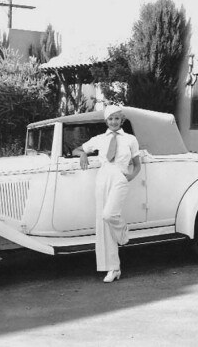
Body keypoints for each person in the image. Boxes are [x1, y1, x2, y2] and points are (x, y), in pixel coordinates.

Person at [72, 105, 141, 283]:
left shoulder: (130, 139)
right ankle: (113, 268)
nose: (113, 122)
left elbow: (137, 164)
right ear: (106, 121)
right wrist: (82, 155)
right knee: (103, 223)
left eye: (117, 118)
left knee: (109, 215)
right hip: (103, 177)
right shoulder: (100, 139)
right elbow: (76, 149)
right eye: (110, 119)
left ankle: (123, 233)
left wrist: (129, 177)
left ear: (121, 120)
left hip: (119, 176)